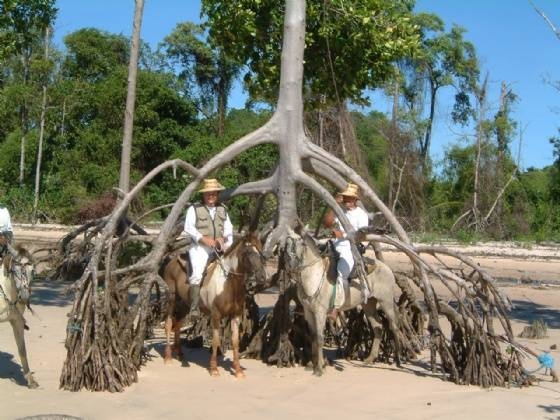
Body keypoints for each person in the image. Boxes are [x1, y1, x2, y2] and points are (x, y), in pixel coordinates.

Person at [183, 178, 233, 319]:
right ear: (203, 195)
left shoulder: (223, 209)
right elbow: (189, 227)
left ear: (217, 194)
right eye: (208, 194)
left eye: (214, 194)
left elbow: (229, 228)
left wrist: (222, 239)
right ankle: (194, 308)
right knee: (197, 274)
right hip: (200, 247)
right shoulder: (194, 209)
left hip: (219, 246)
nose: (211, 196)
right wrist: (204, 239)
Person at [323, 183, 369, 318]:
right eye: (345, 198)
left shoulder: (361, 215)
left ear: (355, 200)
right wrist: (334, 206)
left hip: (350, 248)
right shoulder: (340, 211)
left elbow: (361, 236)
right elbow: (326, 223)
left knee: (342, 271)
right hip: (334, 245)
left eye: (350, 198)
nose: (347, 200)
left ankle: (336, 307)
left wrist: (342, 235)